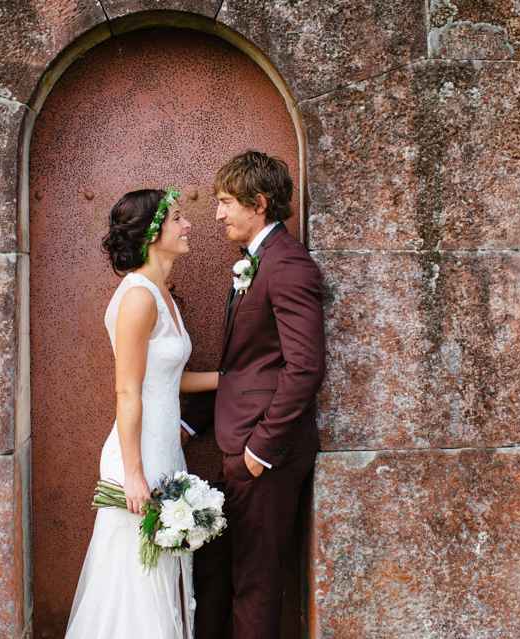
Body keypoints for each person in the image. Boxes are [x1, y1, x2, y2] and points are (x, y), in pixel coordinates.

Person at [65, 188, 219, 639]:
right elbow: (128, 390)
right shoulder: (138, 297)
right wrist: (133, 474)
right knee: (134, 583)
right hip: (138, 458)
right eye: (176, 219)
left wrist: (229, 379)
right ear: (153, 234)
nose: (187, 225)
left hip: (165, 450)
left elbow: (170, 378)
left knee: (161, 579)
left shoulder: (163, 294)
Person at [190, 151, 326, 639]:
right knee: (219, 573)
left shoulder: (288, 267)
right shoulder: (255, 263)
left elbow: (304, 367)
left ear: (260, 203)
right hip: (237, 443)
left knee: (256, 582)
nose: (219, 213)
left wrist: (259, 451)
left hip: (264, 456)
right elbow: (247, 365)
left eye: (227, 202)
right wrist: (191, 422)